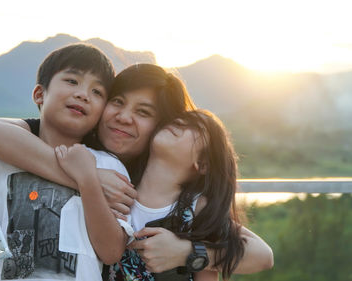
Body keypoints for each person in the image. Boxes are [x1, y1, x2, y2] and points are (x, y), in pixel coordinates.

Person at [0, 63, 273, 279]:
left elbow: (259, 254)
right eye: (117, 102)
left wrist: (184, 252)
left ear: (162, 126)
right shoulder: (76, 142)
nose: (123, 117)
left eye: (143, 112)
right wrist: (89, 178)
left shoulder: (160, 187)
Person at [0, 43, 135, 281]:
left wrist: (89, 179)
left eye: (97, 92)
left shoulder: (108, 168)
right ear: (39, 94)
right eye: (72, 81)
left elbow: (111, 252)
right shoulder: (0, 165)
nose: (83, 94)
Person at [55, 109, 257, 280]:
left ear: (202, 164)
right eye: (181, 119)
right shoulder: (115, 188)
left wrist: (184, 252)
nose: (180, 122)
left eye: (196, 127)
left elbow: (262, 256)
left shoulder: (195, 209)